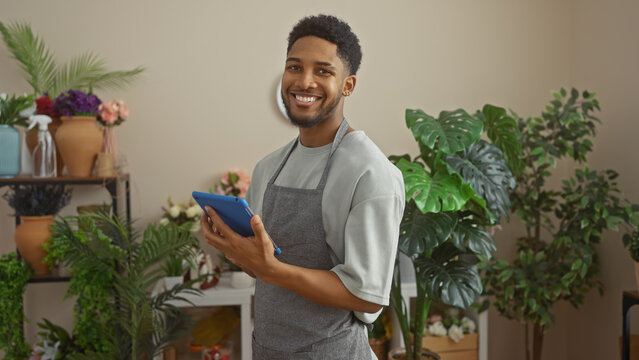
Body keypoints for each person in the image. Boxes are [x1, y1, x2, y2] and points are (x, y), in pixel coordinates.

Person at [201, 14, 405, 360]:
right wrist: (233, 247)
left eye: (323, 71)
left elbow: (367, 295)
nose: (304, 81)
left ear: (348, 85)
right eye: (295, 67)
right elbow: (261, 265)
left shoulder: (370, 172)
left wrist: (273, 271)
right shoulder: (270, 167)